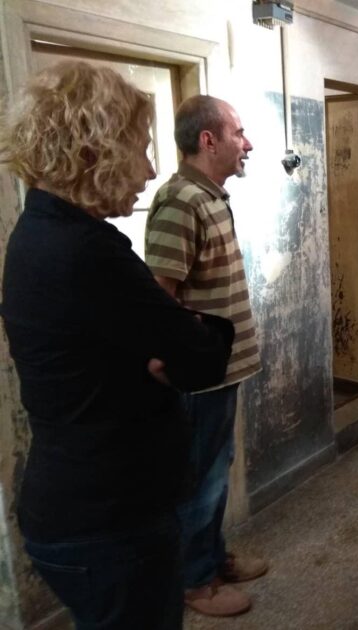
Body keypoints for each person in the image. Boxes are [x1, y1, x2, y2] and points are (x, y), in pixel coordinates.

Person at [0, 61, 235, 629]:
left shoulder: (37, 232)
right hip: (109, 518)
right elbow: (200, 354)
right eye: (140, 148)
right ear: (96, 148)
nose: (150, 169)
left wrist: (168, 342)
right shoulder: (88, 251)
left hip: (77, 505)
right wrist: (181, 336)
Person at [145, 95, 265, 617]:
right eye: (239, 133)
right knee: (200, 478)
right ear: (208, 140)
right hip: (198, 377)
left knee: (216, 471)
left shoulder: (210, 196)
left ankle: (212, 559)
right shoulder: (181, 201)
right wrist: (172, 361)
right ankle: (195, 583)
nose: (248, 143)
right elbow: (160, 295)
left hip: (220, 370)